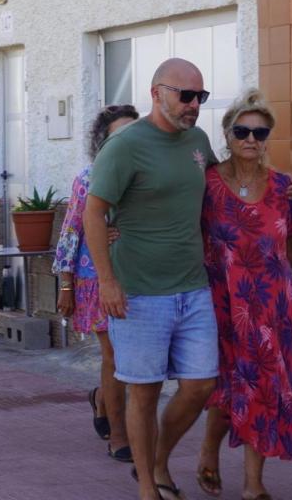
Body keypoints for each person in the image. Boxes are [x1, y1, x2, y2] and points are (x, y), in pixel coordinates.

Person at [84, 58, 221, 500]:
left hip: (193, 287)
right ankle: (147, 486)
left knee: (201, 385)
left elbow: (222, 185)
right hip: (139, 293)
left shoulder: (197, 140)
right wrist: (106, 280)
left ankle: (158, 462)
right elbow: (94, 210)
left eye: (200, 97)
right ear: (156, 92)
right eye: (186, 96)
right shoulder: (125, 146)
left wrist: (276, 183)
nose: (194, 106)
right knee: (143, 394)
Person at [196, 89, 292, 500]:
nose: (250, 139)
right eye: (242, 131)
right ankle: (209, 451)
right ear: (227, 135)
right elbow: (172, 217)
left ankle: (253, 485)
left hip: (274, 306)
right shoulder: (207, 184)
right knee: (225, 386)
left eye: (260, 133)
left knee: (262, 387)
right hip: (223, 304)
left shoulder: (283, 187)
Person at [54, 105, 139, 462]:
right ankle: (119, 435)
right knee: (114, 355)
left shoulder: (146, 175)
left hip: (141, 278)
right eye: (118, 135)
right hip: (97, 277)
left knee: (134, 358)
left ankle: (103, 400)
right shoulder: (88, 178)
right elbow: (72, 229)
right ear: (103, 142)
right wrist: (66, 284)